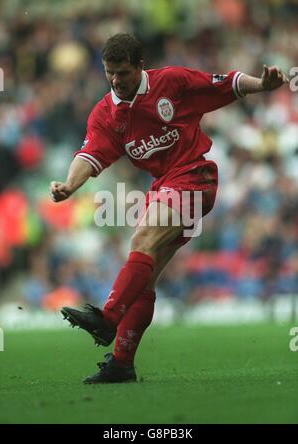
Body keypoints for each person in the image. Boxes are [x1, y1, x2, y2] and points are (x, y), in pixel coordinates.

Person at [50, 33, 288, 384]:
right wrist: (70, 184)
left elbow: (227, 83)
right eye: (109, 72)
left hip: (196, 176)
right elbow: (89, 155)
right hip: (165, 186)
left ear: (140, 67)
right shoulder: (105, 114)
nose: (116, 80)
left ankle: (108, 318)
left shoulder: (172, 82)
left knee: (142, 240)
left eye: (124, 73)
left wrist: (262, 85)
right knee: (145, 277)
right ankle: (122, 363)